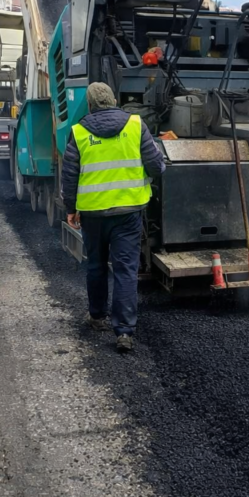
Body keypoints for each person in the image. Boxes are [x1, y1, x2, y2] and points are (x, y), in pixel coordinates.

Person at [62, 82, 165, 352]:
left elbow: (70, 175)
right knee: (125, 269)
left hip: (93, 214)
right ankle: (124, 332)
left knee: (95, 265)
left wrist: (70, 208)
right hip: (129, 213)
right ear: (114, 100)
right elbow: (155, 164)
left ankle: (97, 316)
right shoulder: (136, 125)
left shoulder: (79, 131)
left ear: (90, 105)